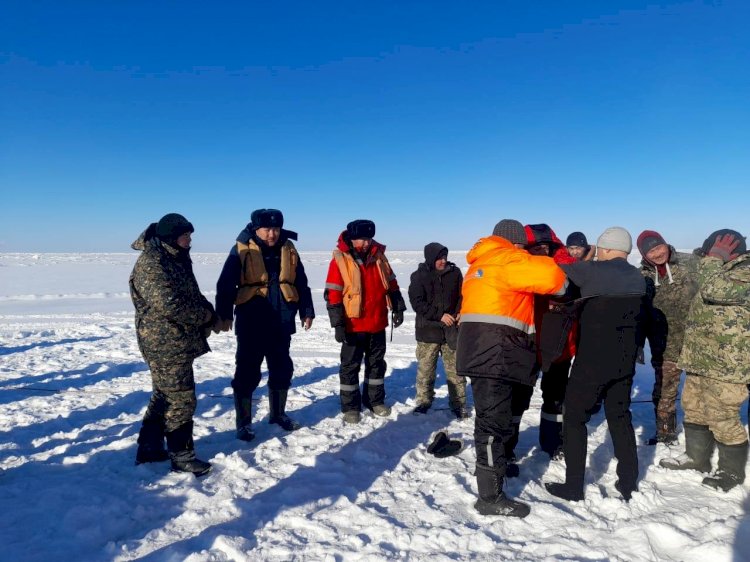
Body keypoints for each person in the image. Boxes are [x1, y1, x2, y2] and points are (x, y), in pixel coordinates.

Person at [457, 219, 567, 518]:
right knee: (491, 425)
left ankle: (499, 467)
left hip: (481, 350)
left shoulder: (481, 261)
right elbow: (555, 279)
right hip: (496, 352)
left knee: (497, 417)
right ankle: (489, 497)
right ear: (516, 242)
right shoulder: (509, 258)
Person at [545, 227, 648, 502]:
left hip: (592, 362)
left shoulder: (592, 271)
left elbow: (561, 263)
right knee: (619, 415)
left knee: (575, 418)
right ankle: (628, 481)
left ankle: (573, 486)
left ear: (603, 248)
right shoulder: (637, 276)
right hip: (625, 362)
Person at [660, 230, 749, 492]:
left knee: (722, 415)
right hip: (701, 359)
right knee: (694, 406)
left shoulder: (745, 271)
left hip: (727, 364)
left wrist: (713, 259)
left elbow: (713, 289)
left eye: (712, 250)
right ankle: (696, 458)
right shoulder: (721, 270)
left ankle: (730, 472)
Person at [215, 209, 315, 441]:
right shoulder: (242, 248)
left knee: (282, 368)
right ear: (255, 228)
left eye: (276, 229)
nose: (271, 234)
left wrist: (306, 310)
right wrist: (224, 313)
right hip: (252, 319)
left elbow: (301, 281)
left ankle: (278, 414)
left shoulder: (288, 248)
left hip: (282, 319)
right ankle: (244, 423)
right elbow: (225, 284)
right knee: (247, 372)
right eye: (267, 229)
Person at [130, 213, 216, 476]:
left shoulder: (174, 256)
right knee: (180, 399)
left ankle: (149, 447)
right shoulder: (152, 262)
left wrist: (207, 309)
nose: (189, 239)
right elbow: (170, 304)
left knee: (164, 395)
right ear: (170, 237)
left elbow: (189, 292)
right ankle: (182, 456)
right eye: (185, 235)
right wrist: (206, 317)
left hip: (175, 339)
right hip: (164, 342)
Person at [325, 219, 407, 424]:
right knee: (350, 366)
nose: (365, 242)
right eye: (361, 239)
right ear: (352, 239)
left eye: (368, 238)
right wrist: (338, 323)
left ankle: (374, 401)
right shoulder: (340, 258)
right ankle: (350, 406)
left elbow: (391, 281)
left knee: (376, 365)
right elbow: (333, 293)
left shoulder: (379, 255)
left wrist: (398, 306)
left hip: (377, 321)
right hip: (353, 324)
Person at [637, 230, 698, 445]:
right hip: (663, 344)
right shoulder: (641, 276)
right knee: (664, 390)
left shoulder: (691, 263)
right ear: (644, 255)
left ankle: (703, 435)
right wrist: (638, 343)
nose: (656, 254)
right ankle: (665, 432)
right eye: (650, 251)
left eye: (658, 247)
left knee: (701, 392)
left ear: (665, 244)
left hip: (697, 343)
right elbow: (640, 313)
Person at [523, 224, 578, 460]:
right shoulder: (517, 269)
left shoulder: (568, 268)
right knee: (517, 398)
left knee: (555, 397)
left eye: (546, 246)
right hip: (524, 343)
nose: (542, 251)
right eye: (537, 247)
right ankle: (506, 447)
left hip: (559, 346)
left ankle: (553, 442)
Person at [408, 242, 467, 419]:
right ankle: (424, 401)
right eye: (439, 258)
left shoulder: (455, 273)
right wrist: (439, 315)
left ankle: (459, 404)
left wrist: (459, 312)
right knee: (426, 369)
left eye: (445, 257)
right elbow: (417, 303)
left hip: (450, 330)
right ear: (430, 258)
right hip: (428, 331)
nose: (443, 261)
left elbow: (462, 296)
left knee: (455, 370)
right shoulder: (419, 276)